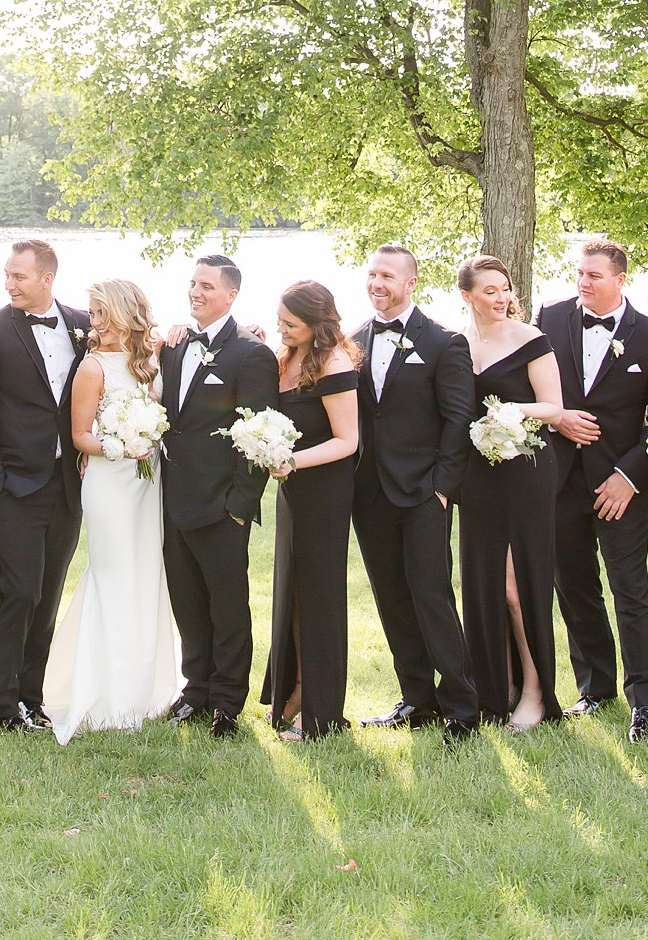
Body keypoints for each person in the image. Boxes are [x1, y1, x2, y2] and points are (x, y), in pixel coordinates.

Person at [537, 235, 648, 743]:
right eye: (580, 273)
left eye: (594, 276)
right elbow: (534, 390)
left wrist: (628, 477)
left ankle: (645, 704)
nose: (583, 282)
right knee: (573, 588)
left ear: (621, 279)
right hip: (559, 482)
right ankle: (595, 688)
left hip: (620, 486)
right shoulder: (550, 319)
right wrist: (558, 421)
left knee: (630, 590)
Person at [350, 244, 480, 746]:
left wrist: (442, 489)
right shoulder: (353, 340)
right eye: (371, 274)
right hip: (370, 493)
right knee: (391, 598)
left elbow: (458, 419)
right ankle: (416, 699)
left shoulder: (444, 342)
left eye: (387, 275)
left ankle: (462, 707)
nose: (377, 283)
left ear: (411, 283)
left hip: (424, 493)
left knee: (431, 596)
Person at [0, 238, 89, 733]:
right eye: (7, 275)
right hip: (15, 486)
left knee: (49, 593)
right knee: (19, 593)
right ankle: (3, 706)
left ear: (47, 279)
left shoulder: (81, 324)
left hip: (68, 484)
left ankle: (33, 698)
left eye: (19, 276)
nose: (9, 284)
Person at [43, 278, 179, 742]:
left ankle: (147, 689)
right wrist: (124, 445)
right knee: (113, 576)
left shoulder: (150, 358)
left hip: (148, 484)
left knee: (145, 575)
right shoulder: (92, 367)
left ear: (126, 313)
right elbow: (80, 436)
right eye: (92, 313)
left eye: (100, 314)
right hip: (110, 483)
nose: (93, 324)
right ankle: (107, 693)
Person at [157, 253, 280, 738]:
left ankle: (228, 702)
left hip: (221, 506)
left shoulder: (251, 354)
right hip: (173, 500)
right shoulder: (174, 346)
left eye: (206, 286)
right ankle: (197, 690)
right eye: (192, 284)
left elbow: (258, 434)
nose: (196, 293)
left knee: (228, 607)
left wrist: (239, 507)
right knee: (187, 602)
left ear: (231, 295)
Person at [456, 255, 564, 729]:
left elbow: (554, 409)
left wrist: (509, 412)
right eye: (490, 291)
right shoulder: (458, 344)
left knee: (517, 588)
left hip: (525, 470)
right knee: (484, 586)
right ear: (467, 296)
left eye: (505, 289)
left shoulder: (530, 339)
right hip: (477, 477)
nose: (501, 299)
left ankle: (538, 691)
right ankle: (496, 688)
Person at [259, 281, 360, 740]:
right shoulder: (287, 356)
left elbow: (347, 441)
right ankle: (292, 691)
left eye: (290, 324)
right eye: (279, 320)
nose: (282, 329)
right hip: (293, 490)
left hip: (325, 491)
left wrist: (292, 461)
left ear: (316, 324)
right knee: (292, 592)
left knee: (318, 597)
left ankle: (321, 711)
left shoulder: (335, 363)